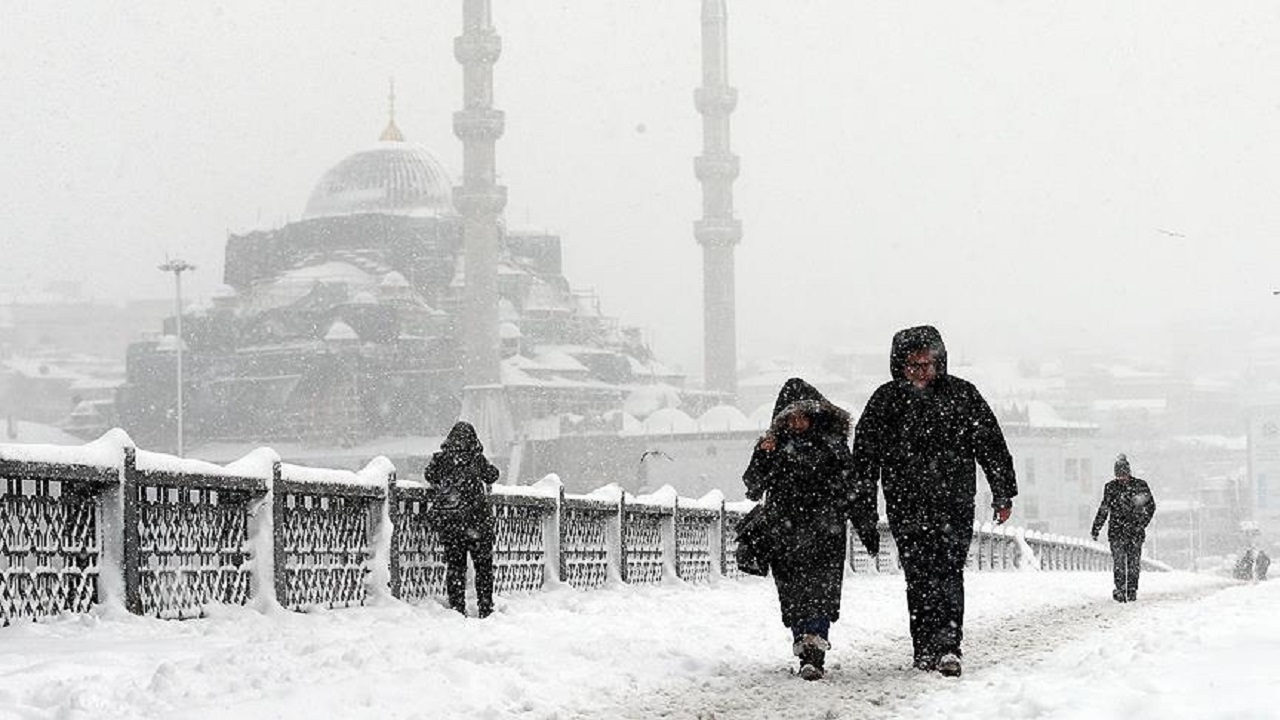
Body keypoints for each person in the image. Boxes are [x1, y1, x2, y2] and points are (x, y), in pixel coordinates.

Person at [850, 325, 1017, 677]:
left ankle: (948, 646)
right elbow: (863, 460)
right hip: (905, 505)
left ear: (939, 363)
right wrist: (863, 507)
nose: (921, 372)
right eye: (913, 365)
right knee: (919, 575)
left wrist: (1003, 492)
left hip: (953, 503)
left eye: (927, 364)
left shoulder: (962, 396)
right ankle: (924, 647)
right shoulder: (885, 402)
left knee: (948, 572)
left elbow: (991, 445)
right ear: (901, 365)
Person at [742, 378, 878, 681]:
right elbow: (753, 487)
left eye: (803, 415)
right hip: (785, 534)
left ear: (816, 415)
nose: (798, 422)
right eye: (791, 417)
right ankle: (802, 642)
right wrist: (763, 454)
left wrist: (865, 525)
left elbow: (852, 489)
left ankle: (813, 651)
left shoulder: (833, 446)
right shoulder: (773, 447)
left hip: (824, 533)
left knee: (820, 592)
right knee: (793, 594)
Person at [423, 421, 500, 618]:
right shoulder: (476, 459)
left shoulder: (442, 459)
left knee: (455, 568)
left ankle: (457, 608)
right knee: (483, 568)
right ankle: (485, 607)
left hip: (452, 524)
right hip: (477, 523)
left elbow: (429, 475)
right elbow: (492, 476)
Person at [1090, 453, 1156, 603]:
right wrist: (1096, 527)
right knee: (1120, 563)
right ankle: (1121, 589)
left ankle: (1131, 589)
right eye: (1119, 475)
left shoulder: (1140, 485)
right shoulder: (1111, 487)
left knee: (1133, 563)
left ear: (1128, 472)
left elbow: (1151, 506)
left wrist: (1141, 523)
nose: (1122, 478)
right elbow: (1104, 509)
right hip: (1118, 532)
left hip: (1133, 531)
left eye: (1124, 475)